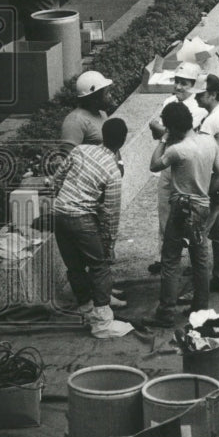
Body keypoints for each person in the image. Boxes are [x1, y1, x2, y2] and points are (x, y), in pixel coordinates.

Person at [52, 118, 132, 338]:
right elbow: (111, 213)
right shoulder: (114, 172)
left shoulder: (81, 150)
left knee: (74, 266)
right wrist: (109, 245)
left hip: (59, 213)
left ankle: (86, 309)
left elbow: (56, 180)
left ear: (102, 134)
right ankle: (103, 323)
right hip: (82, 219)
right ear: (122, 142)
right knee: (99, 267)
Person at [147, 102, 219, 325]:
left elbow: (153, 165)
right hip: (201, 206)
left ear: (172, 127)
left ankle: (166, 312)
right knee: (200, 258)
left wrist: (163, 139)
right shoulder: (209, 141)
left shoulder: (176, 150)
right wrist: (205, 192)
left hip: (181, 206)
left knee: (171, 259)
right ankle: (200, 308)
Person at [146, 62, 205, 275]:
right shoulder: (169, 101)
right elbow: (156, 130)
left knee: (188, 215)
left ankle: (189, 260)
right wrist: (165, 131)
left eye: (185, 83)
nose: (179, 87)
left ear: (194, 85)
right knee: (164, 211)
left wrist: (164, 131)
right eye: (178, 82)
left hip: (186, 165)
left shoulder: (198, 108)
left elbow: (175, 133)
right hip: (168, 164)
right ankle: (163, 256)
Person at [195, 74, 219, 294]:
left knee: (199, 237)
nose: (198, 99)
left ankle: (198, 287)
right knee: (218, 234)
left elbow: (201, 152)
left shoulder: (210, 121)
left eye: (201, 95)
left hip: (213, 181)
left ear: (213, 94)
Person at [61, 70, 112, 148]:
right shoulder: (75, 121)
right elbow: (68, 155)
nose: (110, 96)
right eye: (106, 93)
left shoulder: (102, 113)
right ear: (95, 97)